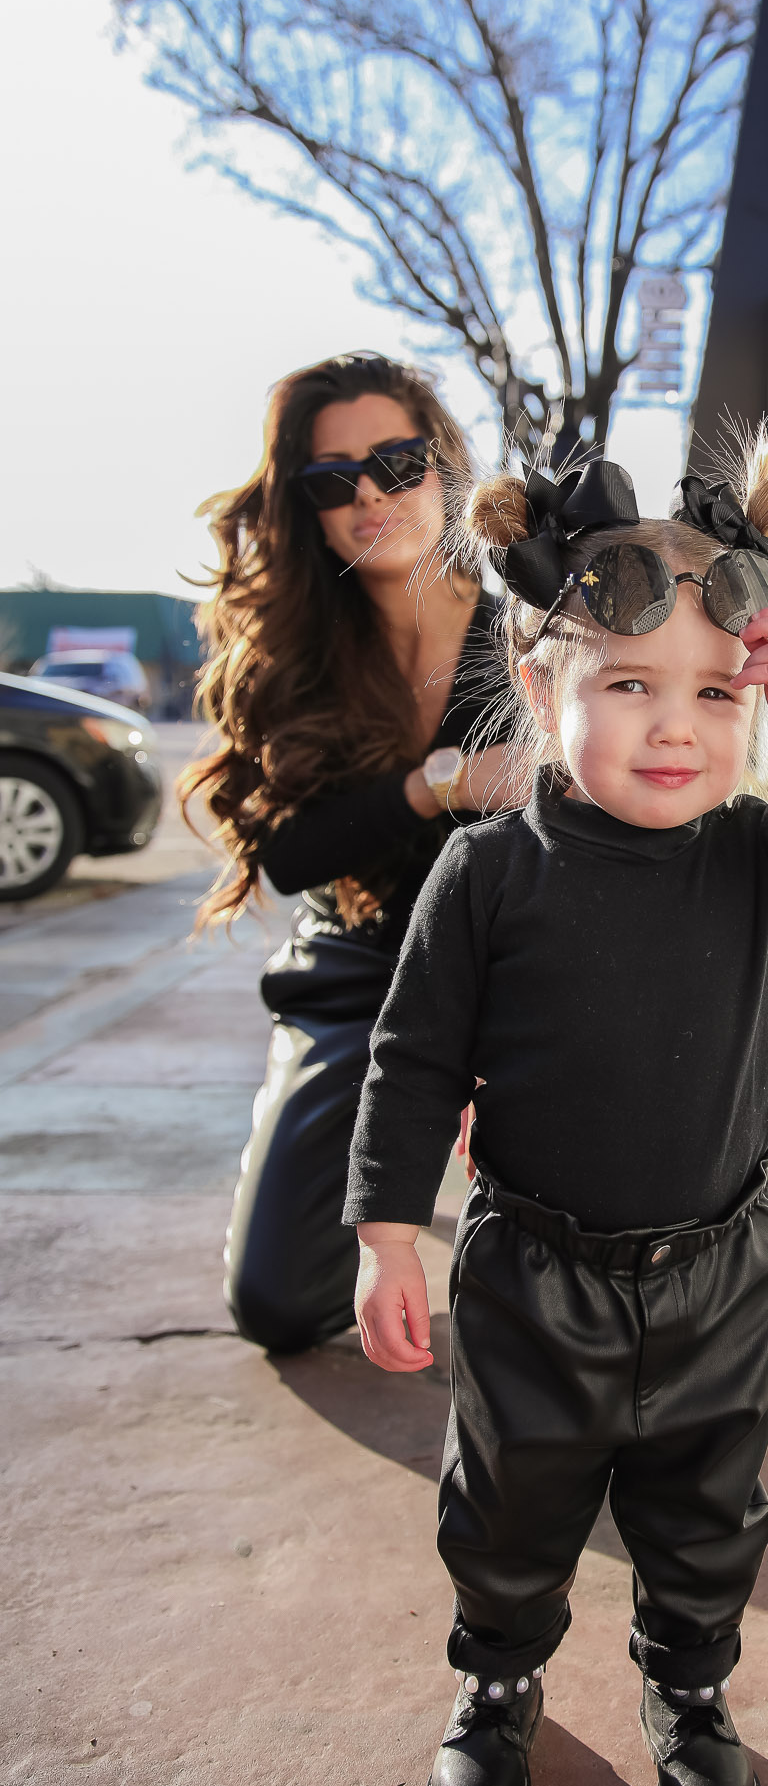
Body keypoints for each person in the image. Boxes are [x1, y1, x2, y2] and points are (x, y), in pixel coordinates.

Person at [345, 430, 768, 1786]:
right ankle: (497, 1679)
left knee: (705, 1502)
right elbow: (414, 1053)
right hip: (533, 1270)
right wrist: (381, 1234)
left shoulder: (747, 848)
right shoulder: (491, 868)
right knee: (512, 1490)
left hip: (720, 1268)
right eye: (630, 686)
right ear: (543, 690)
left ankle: (691, 1683)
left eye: (716, 695)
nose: (679, 727)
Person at [183, 351, 525, 1355]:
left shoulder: (533, 641)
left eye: (396, 459)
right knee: (279, 1307)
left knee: (584, 1281)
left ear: (444, 465)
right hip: (358, 972)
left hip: (519, 971)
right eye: (334, 478)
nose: (369, 491)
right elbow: (290, 854)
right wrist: (443, 780)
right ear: (310, 509)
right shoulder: (297, 655)